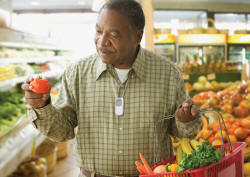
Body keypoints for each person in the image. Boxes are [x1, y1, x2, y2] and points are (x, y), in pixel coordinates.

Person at [22, 0, 201, 177]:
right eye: (99, 31)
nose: (102, 41)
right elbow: (63, 132)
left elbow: (179, 131)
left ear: (138, 36)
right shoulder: (77, 73)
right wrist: (42, 106)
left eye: (114, 34)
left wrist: (185, 121)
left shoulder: (168, 74)